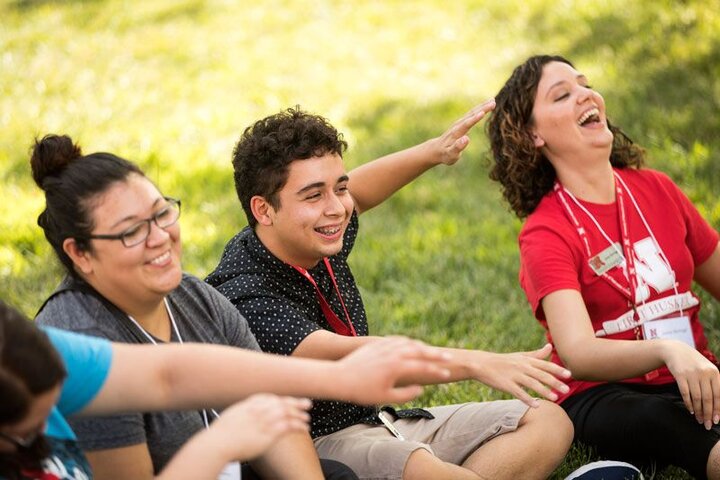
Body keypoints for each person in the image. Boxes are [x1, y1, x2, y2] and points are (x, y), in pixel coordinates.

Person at [206, 104, 574, 480]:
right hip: (317, 449)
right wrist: (477, 362)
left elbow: (360, 193)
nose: (337, 208)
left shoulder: (309, 232)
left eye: (340, 187)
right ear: (263, 210)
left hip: (380, 422)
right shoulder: (245, 296)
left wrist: (433, 152)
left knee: (548, 422)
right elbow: (369, 358)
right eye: (314, 195)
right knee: (428, 470)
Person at [31, 133, 373, 480]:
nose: (160, 237)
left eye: (162, 213)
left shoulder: (193, 295)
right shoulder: (82, 340)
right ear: (80, 254)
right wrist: (220, 444)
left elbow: (269, 407)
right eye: (131, 232)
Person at [486, 54, 720, 479]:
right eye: (562, 94)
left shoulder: (657, 188)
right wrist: (670, 351)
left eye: (585, 84)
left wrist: (687, 360)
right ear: (532, 134)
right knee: (669, 426)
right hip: (604, 394)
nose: (586, 95)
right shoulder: (546, 232)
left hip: (692, 377)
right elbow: (578, 353)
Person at [0, 300, 451, 480]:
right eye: (28, 429)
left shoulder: (27, 351)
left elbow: (168, 373)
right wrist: (217, 446)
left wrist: (339, 379)